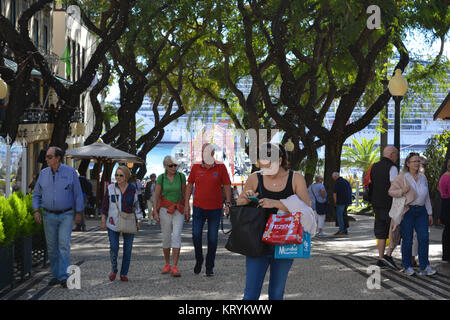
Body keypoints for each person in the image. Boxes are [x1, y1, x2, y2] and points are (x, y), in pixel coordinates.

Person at [237, 143, 311, 300]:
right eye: (262, 165)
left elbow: (306, 207)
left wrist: (276, 203)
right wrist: (247, 196)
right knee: (250, 294)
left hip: (285, 242)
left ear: (280, 159)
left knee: (277, 293)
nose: (266, 170)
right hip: (256, 241)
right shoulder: (255, 177)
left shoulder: (295, 178)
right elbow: (239, 203)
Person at [32, 146, 84, 288]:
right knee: (52, 248)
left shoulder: (70, 172)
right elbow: (36, 194)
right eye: (46, 157)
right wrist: (36, 210)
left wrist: (79, 212)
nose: (46, 159)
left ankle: (63, 276)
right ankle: (55, 275)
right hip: (48, 215)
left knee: (63, 245)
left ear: (58, 158)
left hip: (66, 214)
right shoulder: (43, 173)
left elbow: (78, 194)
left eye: (49, 157)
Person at [185, 143, 232, 276]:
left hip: (215, 209)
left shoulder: (221, 167)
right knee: (195, 235)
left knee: (212, 238)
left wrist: (228, 203)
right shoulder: (195, 167)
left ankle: (209, 266)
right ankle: (199, 259)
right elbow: (189, 185)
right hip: (198, 207)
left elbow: (227, 185)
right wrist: (187, 204)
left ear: (212, 153)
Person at [389, 152, 436, 276]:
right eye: (414, 161)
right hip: (408, 210)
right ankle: (407, 266)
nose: (417, 163)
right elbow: (391, 191)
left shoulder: (423, 177)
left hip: (421, 211)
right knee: (408, 239)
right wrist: (402, 191)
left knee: (424, 238)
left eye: (418, 161)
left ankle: (425, 266)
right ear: (408, 164)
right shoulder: (402, 177)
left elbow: (426, 197)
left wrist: (430, 213)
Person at [101, 165, 143, 282]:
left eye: (120, 175)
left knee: (127, 249)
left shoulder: (132, 189)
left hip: (129, 221)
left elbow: (136, 205)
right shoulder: (110, 188)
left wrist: (139, 219)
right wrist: (103, 218)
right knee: (114, 247)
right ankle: (114, 269)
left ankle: (124, 273)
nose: (118, 177)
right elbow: (105, 205)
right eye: (116, 175)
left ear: (126, 177)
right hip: (112, 222)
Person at [153, 157, 187, 277]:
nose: (173, 167)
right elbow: (156, 196)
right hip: (164, 210)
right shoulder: (161, 178)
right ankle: (167, 263)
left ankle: (175, 266)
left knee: (176, 235)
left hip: (178, 209)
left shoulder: (181, 177)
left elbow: (185, 193)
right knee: (166, 237)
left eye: (175, 165)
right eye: (170, 166)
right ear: (165, 167)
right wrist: (155, 211)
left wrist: (188, 207)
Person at [370, 146, 399, 268]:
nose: (397, 158)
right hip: (389, 204)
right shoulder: (392, 167)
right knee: (394, 230)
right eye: (396, 155)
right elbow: (394, 186)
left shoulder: (374, 166)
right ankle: (388, 256)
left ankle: (380, 257)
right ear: (392, 154)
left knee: (380, 231)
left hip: (376, 204)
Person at [438, 159, 450, 263]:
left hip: (445, 203)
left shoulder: (444, 176)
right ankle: (446, 256)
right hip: (448, 204)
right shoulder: (447, 177)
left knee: (447, 231)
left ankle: (446, 256)